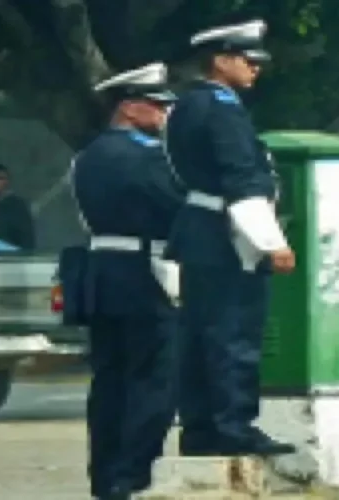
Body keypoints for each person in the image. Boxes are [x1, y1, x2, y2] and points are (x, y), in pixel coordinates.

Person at [164, 20, 295, 457]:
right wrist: (271, 241)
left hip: (199, 231)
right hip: (227, 232)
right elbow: (241, 181)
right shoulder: (223, 109)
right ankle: (234, 425)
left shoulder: (187, 105)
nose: (254, 67)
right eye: (246, 59)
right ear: (220, 61)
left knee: (200, 333)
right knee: (234, 333)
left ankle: (199, 426)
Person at [71, 62, 183, 499]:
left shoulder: (86, 157)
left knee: (109, 382)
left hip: (101, 273)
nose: (164, 115)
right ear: (131, 108)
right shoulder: (149, 157)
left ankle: (104, 478)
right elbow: (177, 209)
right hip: (145, 273)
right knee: (154, 380)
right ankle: (132, 475)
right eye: (157, 106)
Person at [0, 162, 35, 250]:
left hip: (8, 259)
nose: (4, 182)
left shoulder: (16, 206)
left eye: (6, 179)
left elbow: (27, 239)